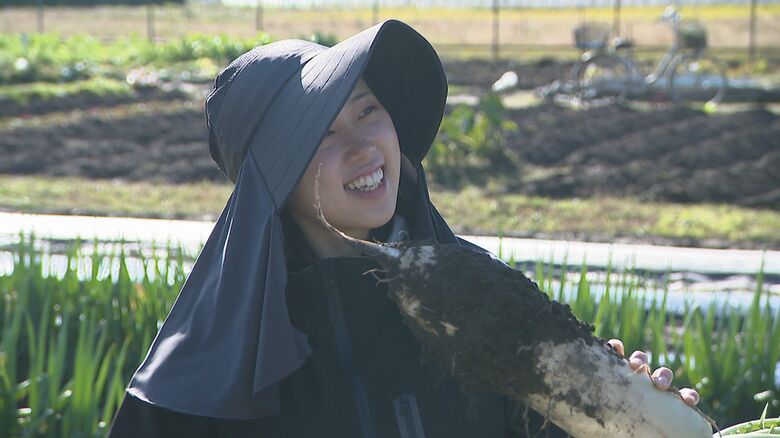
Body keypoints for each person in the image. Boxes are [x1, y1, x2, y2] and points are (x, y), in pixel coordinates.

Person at [108, 20, 699, 438]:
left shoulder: (480, 303)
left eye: (368, 110)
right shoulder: (205, 373)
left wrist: (631, 410)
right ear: (274, 179)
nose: (365, 147)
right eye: (322, 133)